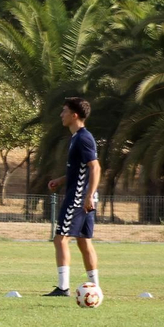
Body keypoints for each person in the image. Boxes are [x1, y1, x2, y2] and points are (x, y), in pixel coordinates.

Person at [45, 97, 100, 298]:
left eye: (64, 111)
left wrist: (89, 195)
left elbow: (95, 167)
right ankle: (95, 288)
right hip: (81, 195)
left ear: (74, 115)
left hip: (79, 196)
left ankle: (63, 288)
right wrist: (61, 180)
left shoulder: (83, 138)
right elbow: (80, 170)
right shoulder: (77, 137)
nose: (61, 115)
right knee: (84, 241)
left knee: (60, 239)